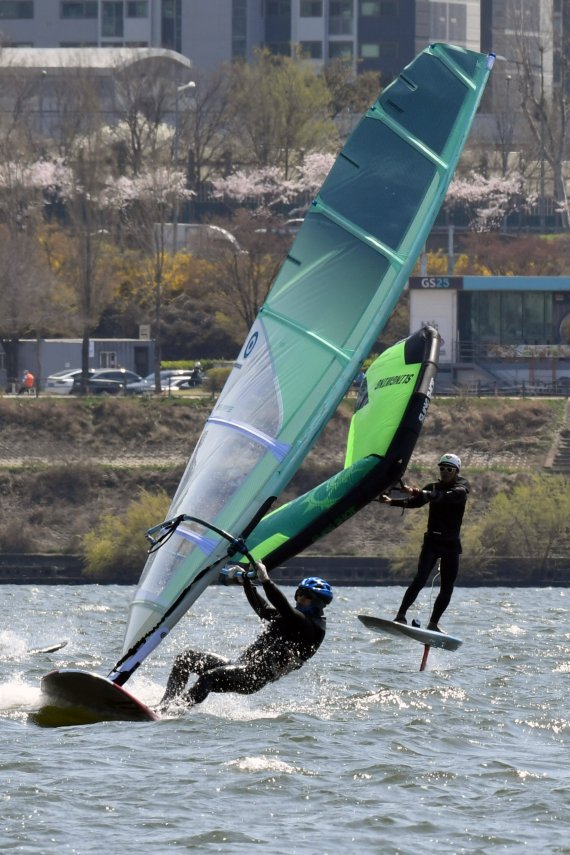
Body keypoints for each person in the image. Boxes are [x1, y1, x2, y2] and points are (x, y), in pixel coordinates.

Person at [158, 561, 332, 710]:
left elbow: (284, 608)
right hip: (239, 666)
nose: (300, 598)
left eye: (307, 596)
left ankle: (174, 710)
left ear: (318, 602)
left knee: (208, 677)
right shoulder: (291, 618)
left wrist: (266, 580)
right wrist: (246, 582)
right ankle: (164, 704)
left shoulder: (313, 628)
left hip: (253, 678)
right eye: (299, 594)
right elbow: (263, 609)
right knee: (185, 659)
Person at [380, 453, 470, 632]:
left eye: (449, 469)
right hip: (432, 542)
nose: (445, 472)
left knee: (447, 586)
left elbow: (442, 497)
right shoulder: (433, 487)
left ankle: (434, 624)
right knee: (420, 579)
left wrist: (416, 491)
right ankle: (400, 616)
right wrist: (392, 502)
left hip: (451, 545)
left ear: (456, 471)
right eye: (442, 468)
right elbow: (416, 502)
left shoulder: (462, 488)